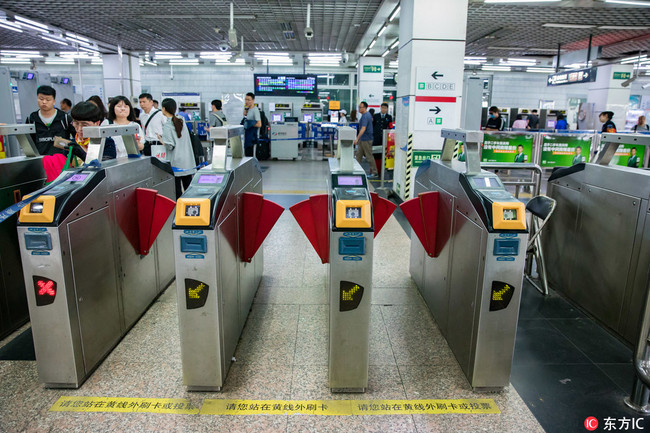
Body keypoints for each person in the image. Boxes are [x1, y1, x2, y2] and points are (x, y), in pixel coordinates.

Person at [159, 98, 196, 198]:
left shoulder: (167, 125)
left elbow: (170, 146)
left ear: (164, 109)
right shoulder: (181, 120)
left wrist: (161, 140)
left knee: (177, 191)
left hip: (176, 162)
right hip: (187, 161)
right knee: (189, 189)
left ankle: (179, 210)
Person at [25, 85, 77, 156]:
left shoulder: (64, 118)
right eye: (41, 99)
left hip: (62, 160)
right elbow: (29, 143)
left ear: (54, 101)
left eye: (48, 99)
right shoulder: (32, 119)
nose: (44, 102)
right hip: (41, 161)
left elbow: (76, 137)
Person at [354, 101, 378, 178]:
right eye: (358, 107)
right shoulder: (366, 115)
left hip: (366, 139)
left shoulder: (365, 116)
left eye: (360, 107)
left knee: (369, 156)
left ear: (364, 108)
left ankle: (374, 172)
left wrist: (357, 138)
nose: (359, 109)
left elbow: (363, 128)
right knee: (358, 155)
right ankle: (355, 170)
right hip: (362, 139)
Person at [242, 92, 261, 157]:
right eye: (246, 99)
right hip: (248, 136)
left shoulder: (255, 110)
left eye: (248, 100)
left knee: (251, 156)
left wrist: (250, 124)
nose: (246, 101)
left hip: (253, 137)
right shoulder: (248, 110)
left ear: (253, 100)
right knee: (247, 154)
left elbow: (259, 124)